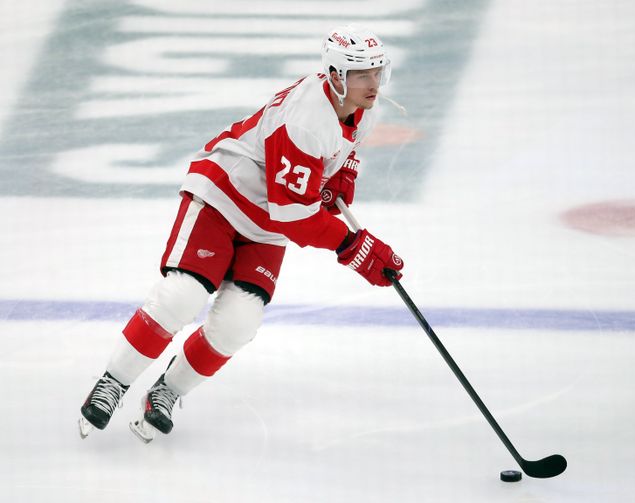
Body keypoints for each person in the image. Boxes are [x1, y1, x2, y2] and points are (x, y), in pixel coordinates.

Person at [78, 25, 404, 442]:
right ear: (337, 75)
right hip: (223, 197)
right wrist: (353, 246)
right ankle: (113, 381)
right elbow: (295, 218)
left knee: (238, 323)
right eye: (362, 74)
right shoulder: (306, 120)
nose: (374, 83)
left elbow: (343, 152)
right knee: (184, 295)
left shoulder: (362, 104)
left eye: (377, 71)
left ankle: (166, 392)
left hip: (268, 221)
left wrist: (340, 177)